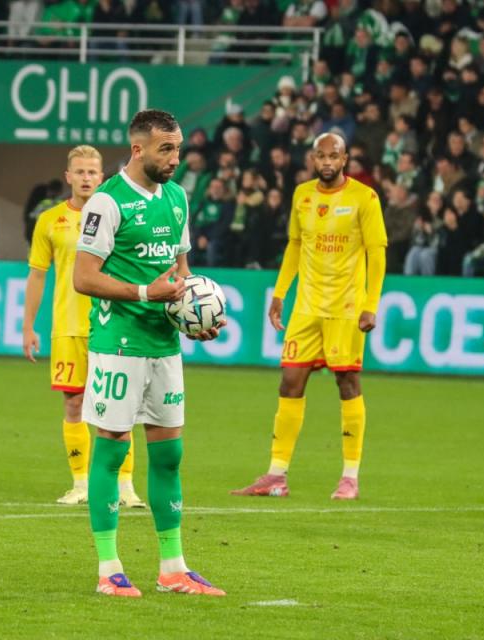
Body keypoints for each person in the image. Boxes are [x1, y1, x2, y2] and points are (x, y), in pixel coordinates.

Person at [73, 109, 225, 598]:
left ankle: (173, 568)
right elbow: (83, 278)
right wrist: (144, 293)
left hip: (164, 344)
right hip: (119, 344)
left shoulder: (177, 198)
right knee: (112, 450)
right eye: (166, 149)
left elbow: (181, 273)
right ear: (138, 149)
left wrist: (196, 315)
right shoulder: (107, 202)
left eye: (178, 148)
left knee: (169, 455)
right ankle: (109, 568)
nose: (176, 158)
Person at [232, 132, 388, 500]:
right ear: (313, 159)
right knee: (289, 382)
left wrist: (371, 304)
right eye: (321, 156)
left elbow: (377, 252)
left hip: (346, 307)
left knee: (347, 382)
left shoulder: (364, 197)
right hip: (306, 307)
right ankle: (276, 475)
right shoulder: (302, 195)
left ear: (345, 159)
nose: (327, 162)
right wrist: (280, 293)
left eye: (334, 156)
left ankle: (350, 477)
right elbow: (295, 245)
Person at [23, 145, 145, 509]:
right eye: (80, 172)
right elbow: (37, 275)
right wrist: (28, 326)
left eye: (93, 172)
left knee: (119, 407)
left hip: (112, 323)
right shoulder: (50, 221)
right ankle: (81, 484)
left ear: (102, 177)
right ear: (69, 177)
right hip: (68, 326)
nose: (87, 178)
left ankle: (126, 487)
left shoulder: (117, 214)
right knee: (74, 403)